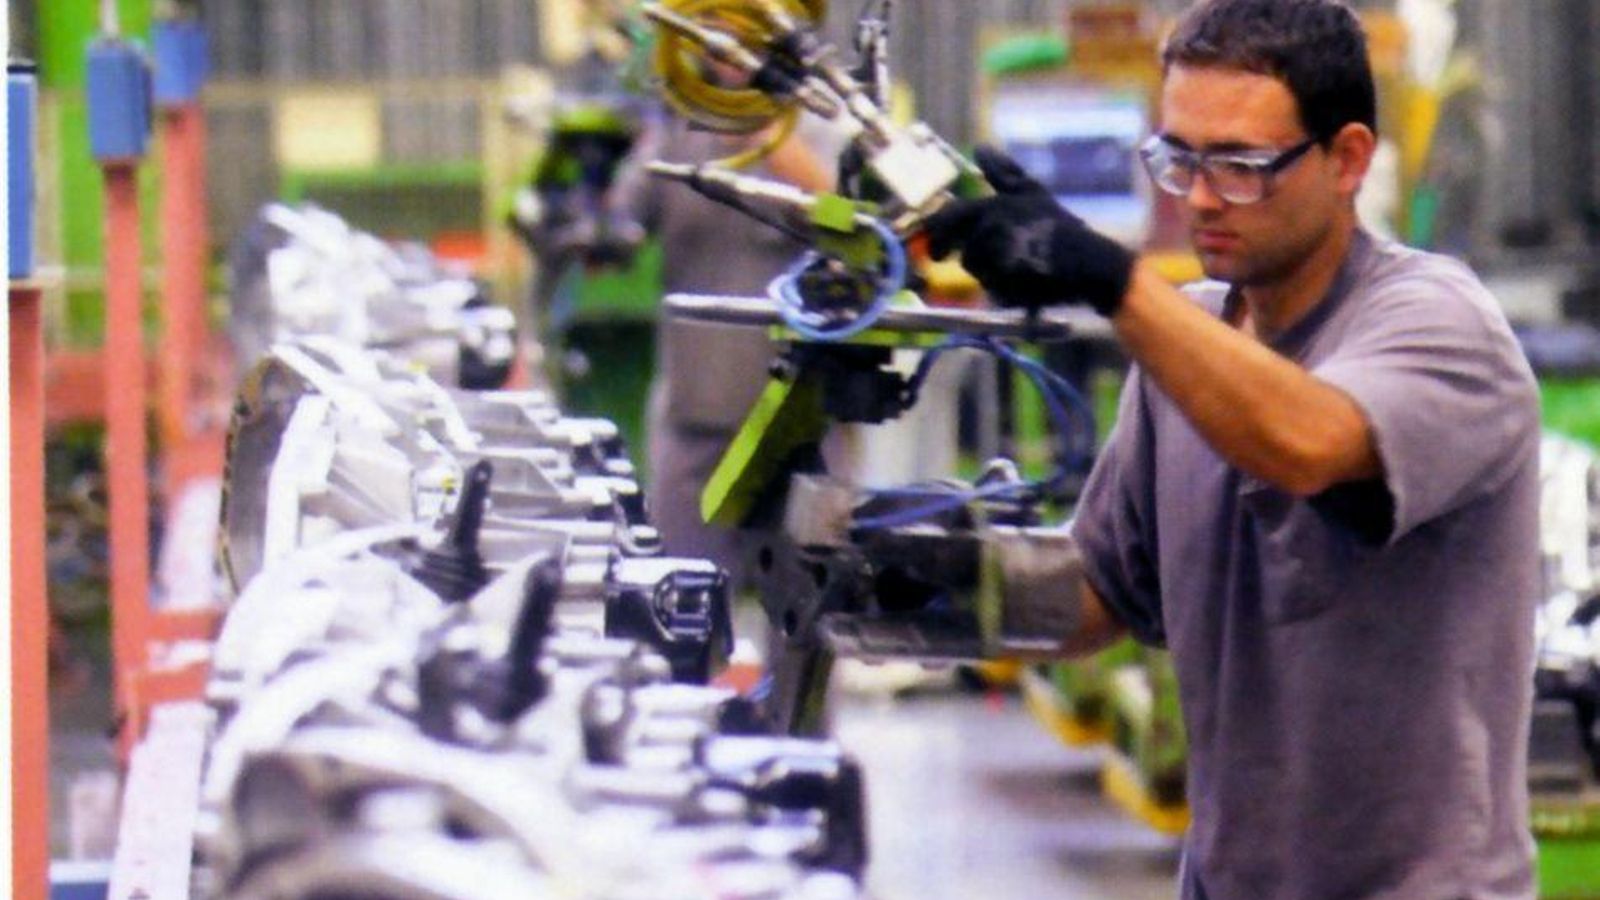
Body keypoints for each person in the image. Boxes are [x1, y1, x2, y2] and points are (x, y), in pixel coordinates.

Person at [924, 1, 1540, 897]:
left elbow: (1309, 440)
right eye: (1181, 159)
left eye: (1242, 165)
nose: (1202, 197)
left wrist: (1108, 277)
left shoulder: (1439, 323)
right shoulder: (1190, 344)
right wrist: (914, 578)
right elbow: (1100, 596)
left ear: (1349, 159)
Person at [610, 110, 839, 579]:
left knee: (811, 607)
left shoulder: (825, 129)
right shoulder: (677, 134)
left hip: (801, 420)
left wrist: (773, 142)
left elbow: (852, 223)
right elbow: (618, 224)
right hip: (697, 412)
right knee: (679, 597)